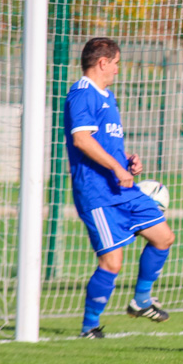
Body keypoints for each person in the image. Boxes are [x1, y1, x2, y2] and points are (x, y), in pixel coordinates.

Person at [65, 38, 176, 338]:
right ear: (102, 62)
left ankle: (141, 300)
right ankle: (89, 327)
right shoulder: (82, 93)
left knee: (163, 237)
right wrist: (115, 168)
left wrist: (126, 159)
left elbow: (104, 142)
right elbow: (82, 140)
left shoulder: (107, 96)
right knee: (111, 263)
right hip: (97, 193)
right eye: (115, 63)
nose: (117, 68)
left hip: (122, 188)